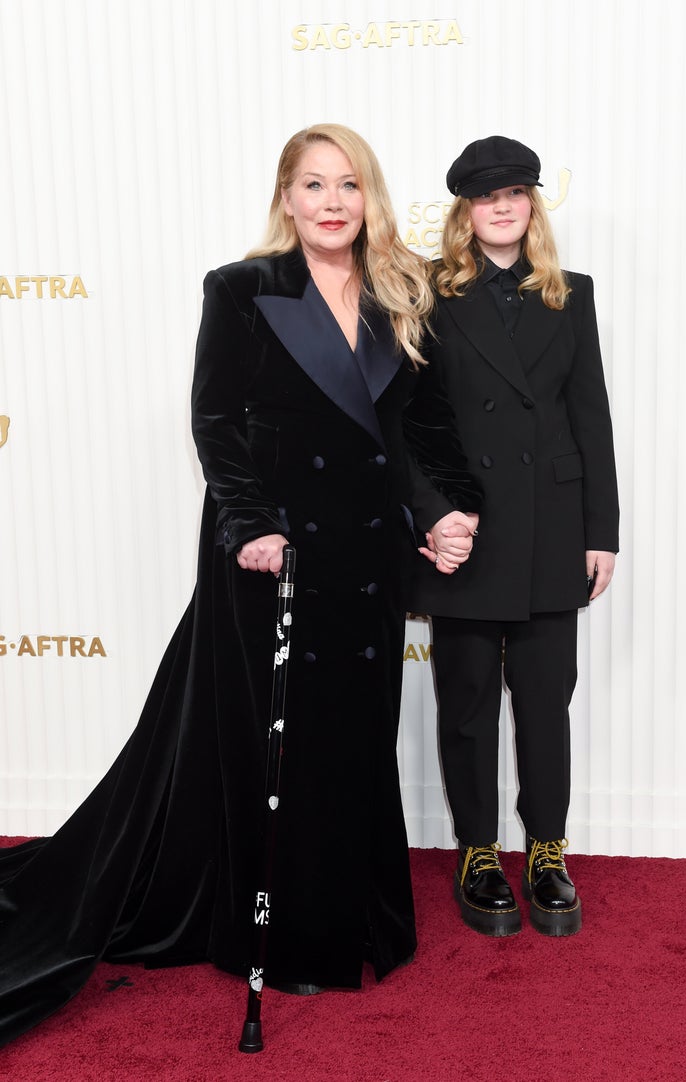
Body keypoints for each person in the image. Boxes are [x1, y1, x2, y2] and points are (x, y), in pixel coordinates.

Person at [0, 123, 457, 1046]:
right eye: (314, 185)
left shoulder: (405, 294)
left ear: (369, 197)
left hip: (365, 561)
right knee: (278, 749)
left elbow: (418, 433)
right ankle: (285, 937)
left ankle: (359, 921)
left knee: (354, 734)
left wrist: (446, 511)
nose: (333, 203)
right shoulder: (243, 288)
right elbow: (215, 420)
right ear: (286, 197)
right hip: (273, 558)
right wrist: (251, 524)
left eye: (350, 186)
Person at [404, 135, 619, 938]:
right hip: (465, 527)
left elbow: (588, 412)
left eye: (518, 193)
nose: (504, 207)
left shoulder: (573, 293)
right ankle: (479, 852)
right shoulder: (424, 290)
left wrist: (602, 528)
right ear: (466, 210)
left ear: (532, 204)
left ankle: (550, 851)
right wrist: (430, 513)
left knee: (543, 701)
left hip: (550, 524)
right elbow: (408, 422)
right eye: (488, 196)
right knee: (464, 704)